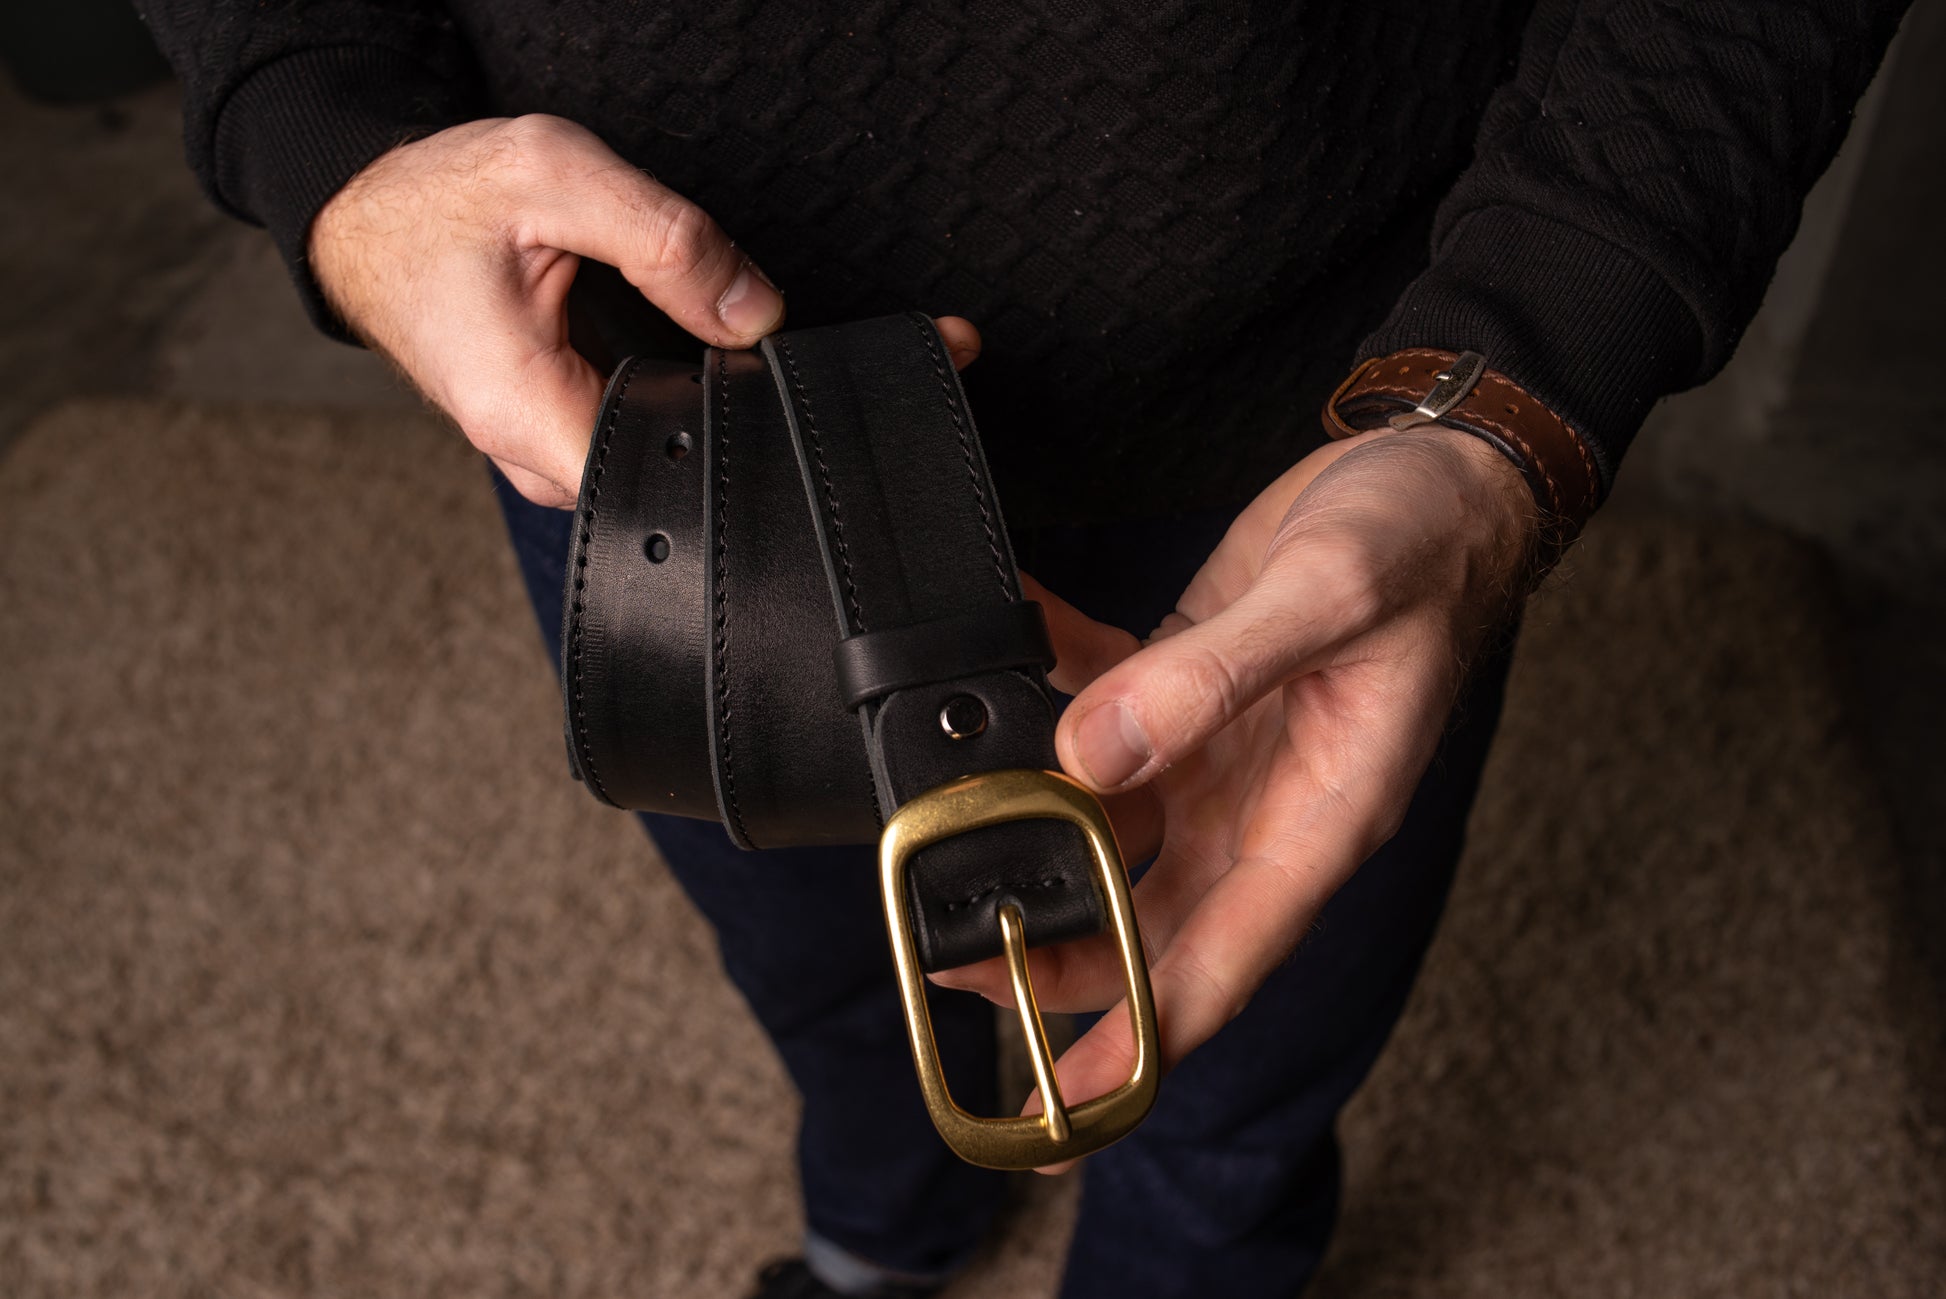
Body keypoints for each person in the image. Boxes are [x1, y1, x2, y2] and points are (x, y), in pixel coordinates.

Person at [141, 2, 1909, 1295]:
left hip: (1313, 428)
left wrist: (1505, 387)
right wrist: (333, 142)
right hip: (662, 441)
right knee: (815, 965)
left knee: (1240, 1050)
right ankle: (880, 1229)